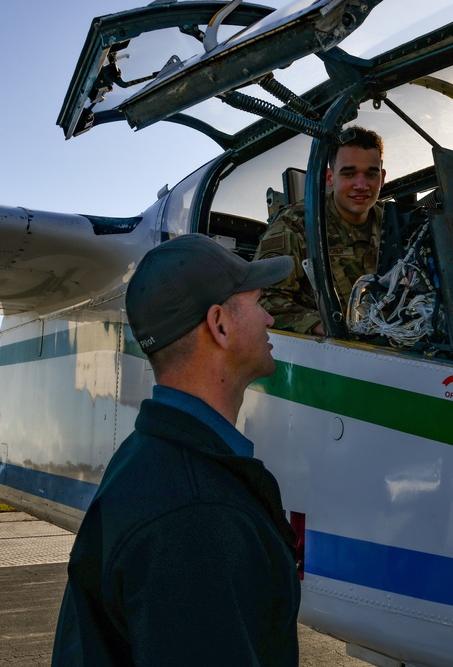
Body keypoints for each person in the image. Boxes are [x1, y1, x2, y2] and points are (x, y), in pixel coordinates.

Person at [52, 234, 300, 666]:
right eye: (259, 302)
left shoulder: (153, 457)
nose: (270, 319)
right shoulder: (196, 517)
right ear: (220, 325)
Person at [254, 126, 386, 336]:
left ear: (383, 177)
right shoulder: (298, 223)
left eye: (371, 174)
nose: (361, 185)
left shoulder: (394, 224)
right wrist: (325, 327)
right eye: (349, 173)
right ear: (330, 177)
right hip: (325, 352)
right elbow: (262, 298)